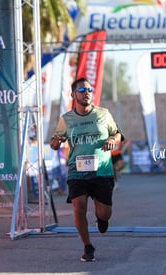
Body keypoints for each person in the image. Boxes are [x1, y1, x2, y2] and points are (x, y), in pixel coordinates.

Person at [50, 77, 123, 262]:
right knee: (79, 206)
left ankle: (102, 219)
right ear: (73, 95)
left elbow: (118, 134)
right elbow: (54, 143)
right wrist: (56, 142)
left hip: (102, 171)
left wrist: (112, 141)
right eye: (82, 90)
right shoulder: (66, 119)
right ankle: (87, 246)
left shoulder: (103, 114)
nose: (87, 93)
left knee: (105, 213)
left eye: (89, 90)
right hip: (77, 171)